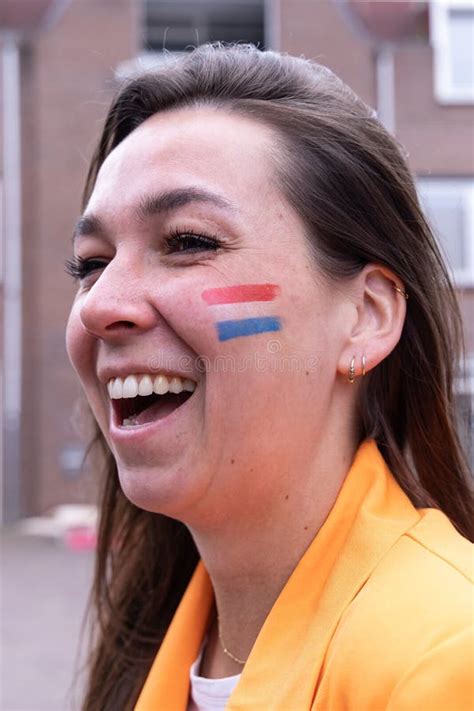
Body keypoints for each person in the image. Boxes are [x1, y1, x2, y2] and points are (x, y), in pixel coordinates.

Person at [66, 43, 473, 711]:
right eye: (91, 262)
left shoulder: (449, 656)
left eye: (188, 241)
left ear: (366, 316)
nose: (100, 304)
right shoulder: (151, 644)